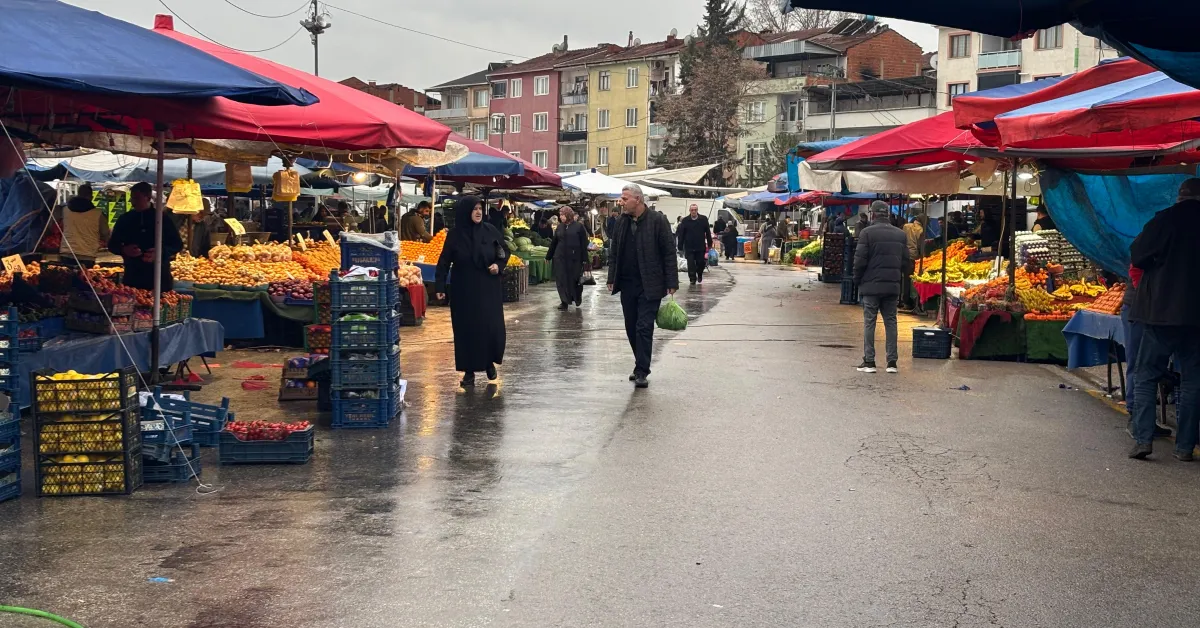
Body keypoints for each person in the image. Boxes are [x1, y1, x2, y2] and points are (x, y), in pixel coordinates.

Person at [1127, 178, 1200, 461]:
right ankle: (1184, 447)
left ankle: (1143, 439)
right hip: (1196, 318)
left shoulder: (1165, 220)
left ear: (1180, 197)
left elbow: (1138, 255)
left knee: (1147, 374)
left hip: (1160, 312)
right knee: (1193, 380)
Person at [607, 183, 678, 388]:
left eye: (625, 198)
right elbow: (614, 252)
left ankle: (641, 370)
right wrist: (612, 278)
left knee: (644, 327)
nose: (621, 201)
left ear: (638, 199)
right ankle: (640, 362)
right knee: (631, 327)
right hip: (627, 283)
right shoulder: (621, 221)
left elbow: (668, 252)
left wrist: (671, 281)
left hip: (651, 283)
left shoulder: (658, 221)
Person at [434, 197, 509, 388]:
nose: (478, 212)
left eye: (480, 209)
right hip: (464, 291)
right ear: (465, 211)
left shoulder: (491, 231)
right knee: (467, 331)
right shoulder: (455, 235)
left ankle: (489, 363)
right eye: (474, 209)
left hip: (487, 289)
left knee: (490, 328)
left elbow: (503, 253)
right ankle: (469, 372)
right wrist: (440, 287)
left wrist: (498, 266)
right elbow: (444, 262)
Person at [853, 201, 910, 374]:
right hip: (892, 287)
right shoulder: (900, 234)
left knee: (870, 322)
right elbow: (906, 263)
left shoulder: (867, 233)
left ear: (874, 214)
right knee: (891, 322)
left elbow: (859, 261)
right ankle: (891, 362)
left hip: (870, 286)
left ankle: (869, 361)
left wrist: (857, 279)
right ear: (887, 214)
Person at [107, 181, 183, 291]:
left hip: (159, 277)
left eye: (136, 198)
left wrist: (160, 252)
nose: (132, 202)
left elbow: (177, 244)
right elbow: (112, 245)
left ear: (147, 198)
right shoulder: (125, 219)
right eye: (132, 198)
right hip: (133, 276)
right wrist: (124, 249)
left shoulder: (162, 219)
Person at [546, 206, 589, 310]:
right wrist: (548, 256)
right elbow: (554, 243)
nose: (561, 217)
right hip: (559, 258)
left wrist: (585, 260)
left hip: (574, 259)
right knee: (561, 280)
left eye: (563, 215)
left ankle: (577, 297)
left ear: (569, 215)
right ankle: (564, 302)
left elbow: (584, 244)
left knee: (575, 279)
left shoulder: (579, 227)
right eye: (560, 215)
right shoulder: (560, 227)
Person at [61, 184, 110, 260]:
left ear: (78, 194)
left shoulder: (65, 210)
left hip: (67, 252)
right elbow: (105, 233)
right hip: (87, 254)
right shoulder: (98, 214)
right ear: (90, 197)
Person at [676, 204, 712, 284]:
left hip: (700, 246)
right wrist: (680, 245)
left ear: (697, 210)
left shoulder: (703, 219)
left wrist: (710, 243)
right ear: (690, 211)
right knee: (691, 264)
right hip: (689, 246)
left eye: (695, 210)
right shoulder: (685, 220)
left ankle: (699, 274)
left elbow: (708, 232)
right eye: (692, 210)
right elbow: (681, 234)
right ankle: (692, 279)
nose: (694, 211)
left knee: (701, 263)